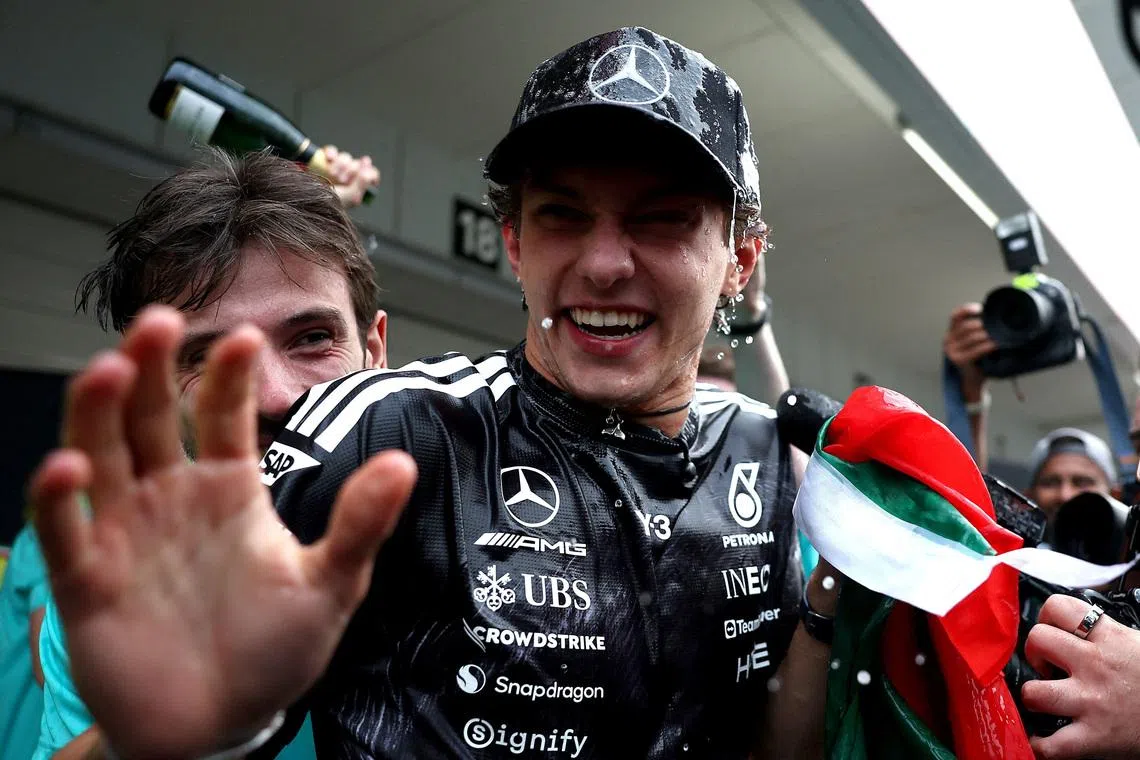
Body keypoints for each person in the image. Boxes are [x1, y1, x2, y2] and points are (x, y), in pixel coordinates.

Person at [30, 27, 840, 759]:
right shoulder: (396, 433)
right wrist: (187, 733)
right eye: (563, 216)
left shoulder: (766, 453)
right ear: (515, 244)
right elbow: (189, 710)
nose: (604, 263)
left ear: (740, 259)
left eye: (661, 219)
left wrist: (848, 581)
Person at [31, 148, 387, 760]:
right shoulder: (128, 575)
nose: (273, 396)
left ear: (376, 350)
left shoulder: (496, 536)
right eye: (205, 357)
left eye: (311, 338)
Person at [943, 303, 1116, 532]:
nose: (1065, 495)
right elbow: (969, 505)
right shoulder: (1017, 560)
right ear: (1028, 497)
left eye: (1083, 482)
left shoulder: (1131, 561)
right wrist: (970, 390)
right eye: (1050, 483)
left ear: (1116, 494)